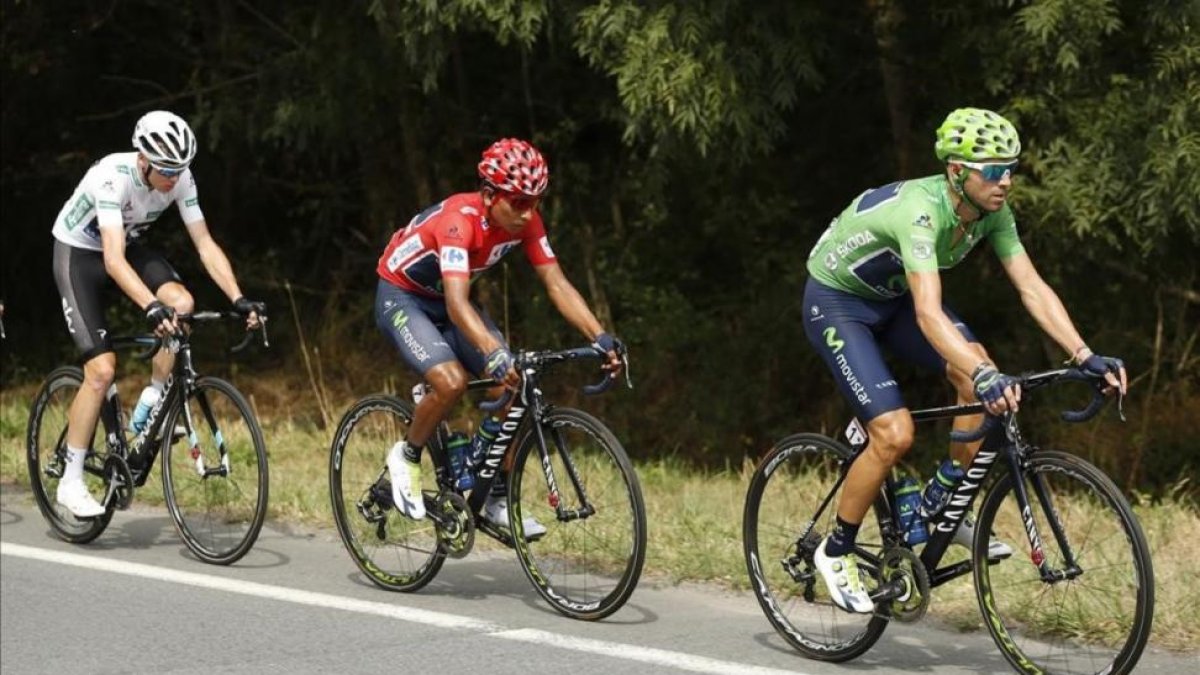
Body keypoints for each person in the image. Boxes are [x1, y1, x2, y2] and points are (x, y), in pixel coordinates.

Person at [802, 107, 1127, 613]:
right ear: (957, 172)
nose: (1006, 181)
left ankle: (943, 499)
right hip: (839, 302)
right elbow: (929, 313)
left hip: (893, 299)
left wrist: (1082, 353)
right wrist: (982, 373)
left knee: (980, 372)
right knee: (895, 432)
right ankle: (836, 549)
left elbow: (1031, 286)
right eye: (994, 170)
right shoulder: (922, 211)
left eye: (1011, 168)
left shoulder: (993, 212)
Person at [375, 137, 623, 534]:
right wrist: (493, 352)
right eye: (519, 202)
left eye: (536, 202)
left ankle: (492, 497)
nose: (528, 213)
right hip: (404, 297)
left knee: (515, 388)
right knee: (452, 381)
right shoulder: (460, 221)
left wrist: (600, 336)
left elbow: (556, 283)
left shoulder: (527, 221)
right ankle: (406, 456)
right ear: (490, 195)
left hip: (447, 300)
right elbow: (458, 304)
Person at [51, 110, 263, 518]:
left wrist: (238, 297)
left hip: (125, 245)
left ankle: (153, 394)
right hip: (80, 255)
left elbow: (204, 243)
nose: (173, 178)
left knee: (182, 304)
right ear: (143, 159)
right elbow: (112, 260)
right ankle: (71, 479)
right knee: (101, 371)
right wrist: (149, 305)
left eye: (180, 169)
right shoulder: (111, 177)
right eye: (166, 169)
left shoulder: (180, 177)